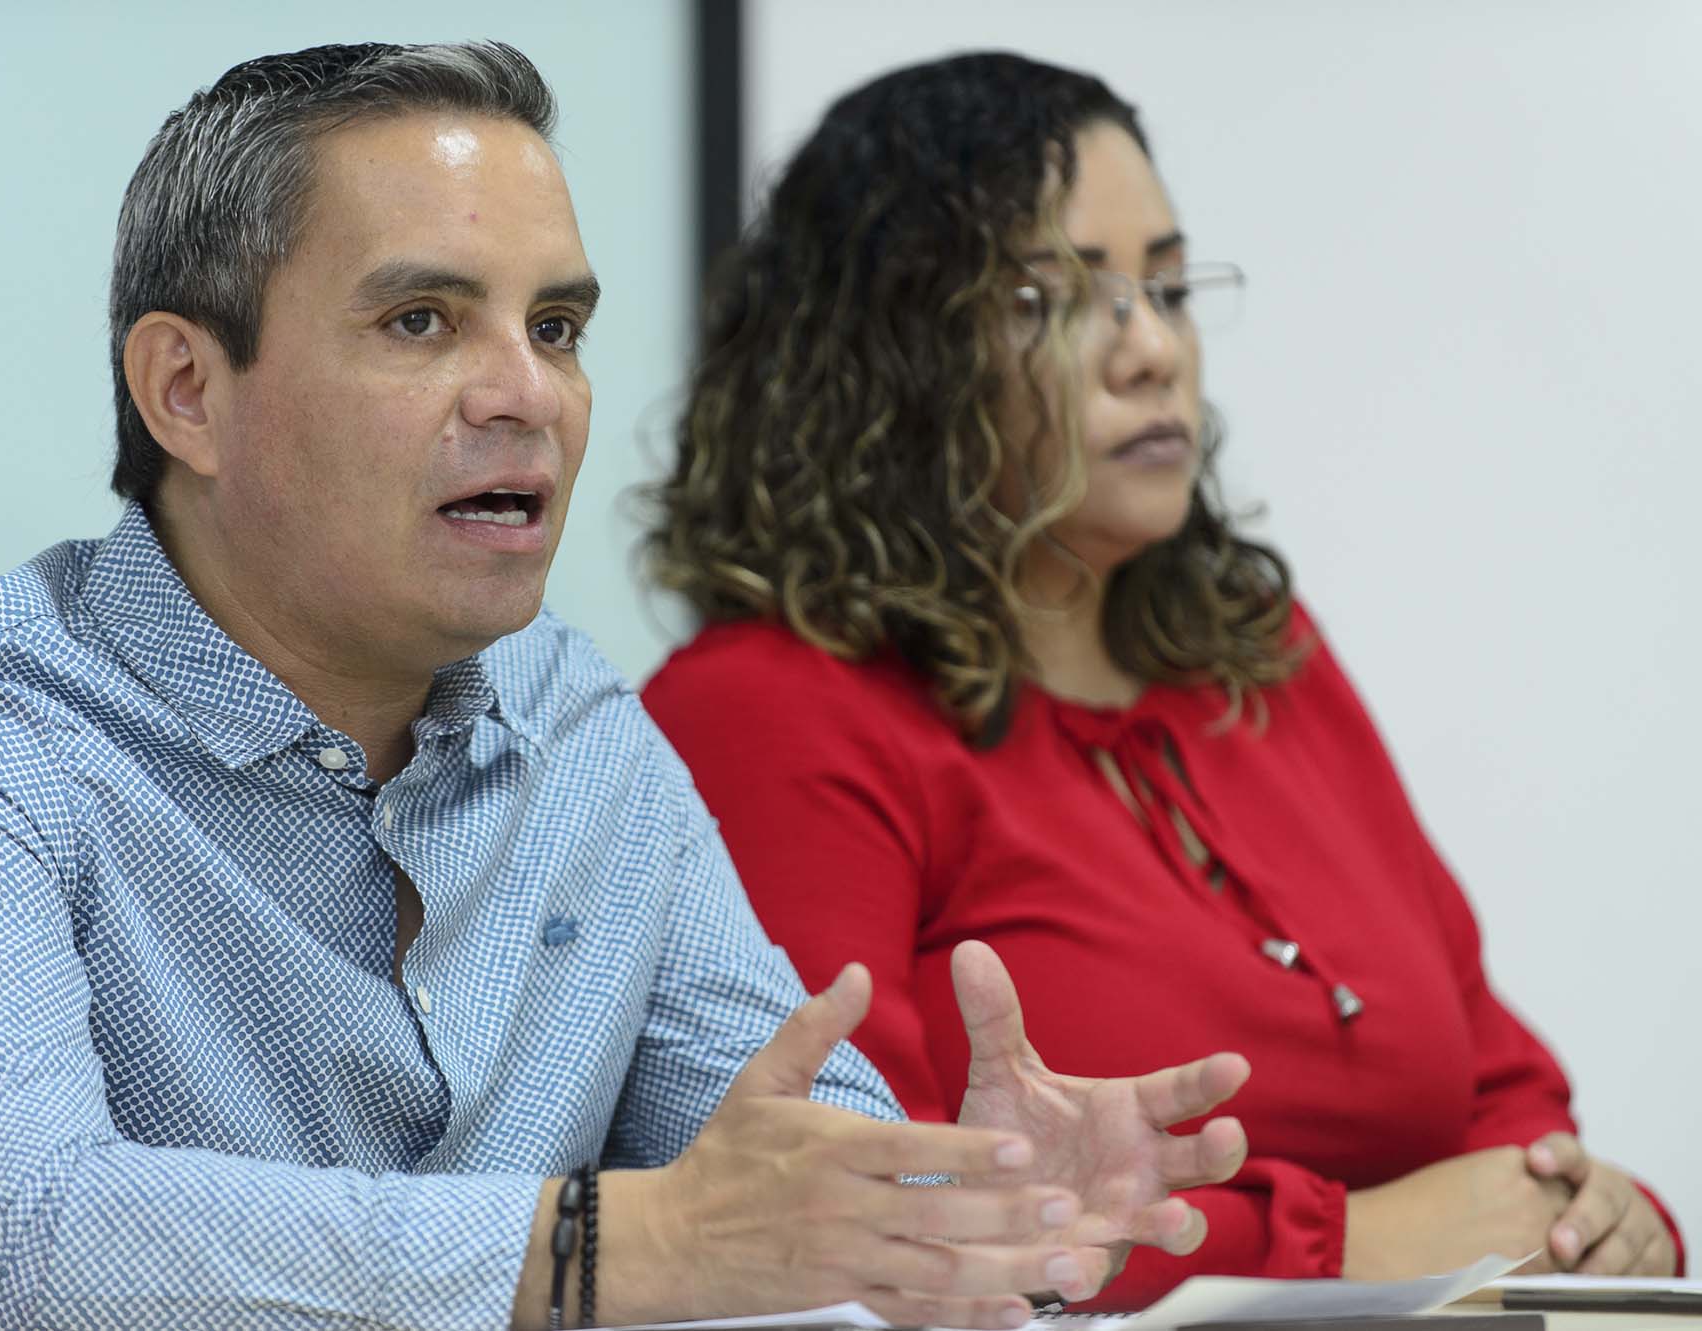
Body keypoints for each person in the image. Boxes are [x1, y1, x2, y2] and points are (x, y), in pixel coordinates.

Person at [0, 42, 1254, 1331]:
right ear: (187, 389)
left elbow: (778, 1157)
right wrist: (610, 1246)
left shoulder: (576, 721)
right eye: (422, 321)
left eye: (557, 327)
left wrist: (960, 1202)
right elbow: (24, 1241)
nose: (528, 394)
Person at [639, 51, 1683, 1310]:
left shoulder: (1255, 654)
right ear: (883, 359)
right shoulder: (767, 710)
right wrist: (1343, 1241)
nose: (1149, 350)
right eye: (1052, 299)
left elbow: (1496, 1079)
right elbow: (855, 1222)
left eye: (1170, 290)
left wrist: (1585, 1214)